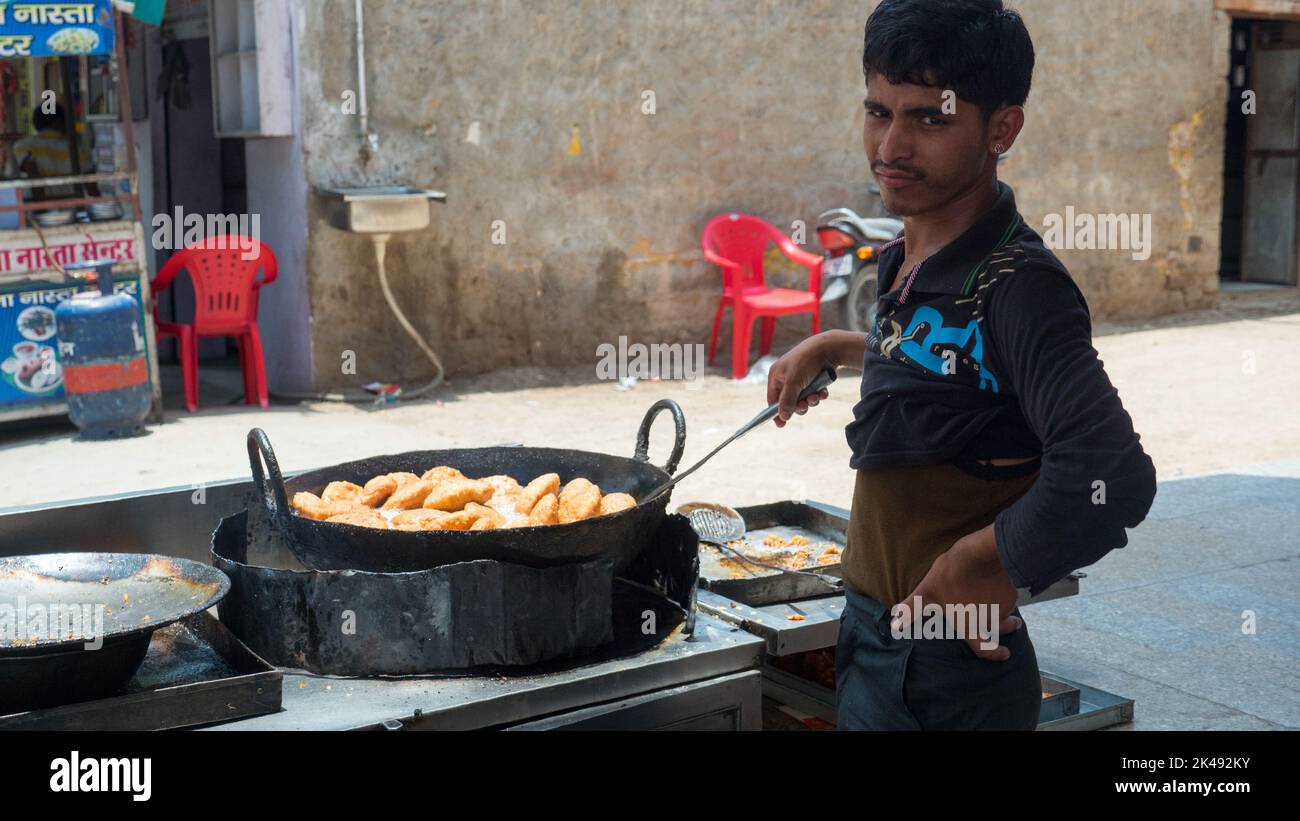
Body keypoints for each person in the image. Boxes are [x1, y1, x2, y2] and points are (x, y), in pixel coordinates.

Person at [767, 0, 1157, 730]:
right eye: (879, 112)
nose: (892, 146)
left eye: (929, 119)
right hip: (870, 633)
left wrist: (985, 562)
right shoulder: (910, 254)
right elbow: (954, 368)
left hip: (945, 671)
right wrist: (836, 347)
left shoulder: (1020, 286)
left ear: (1000, 128)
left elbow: (1112, 474)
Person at [13, 104, 92, 199]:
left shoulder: (23, 146)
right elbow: (91, 186)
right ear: (58, 123)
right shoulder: (79, 150)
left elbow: (34, 178)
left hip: (40, 208)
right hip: (73, 207)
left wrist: (41, 208)